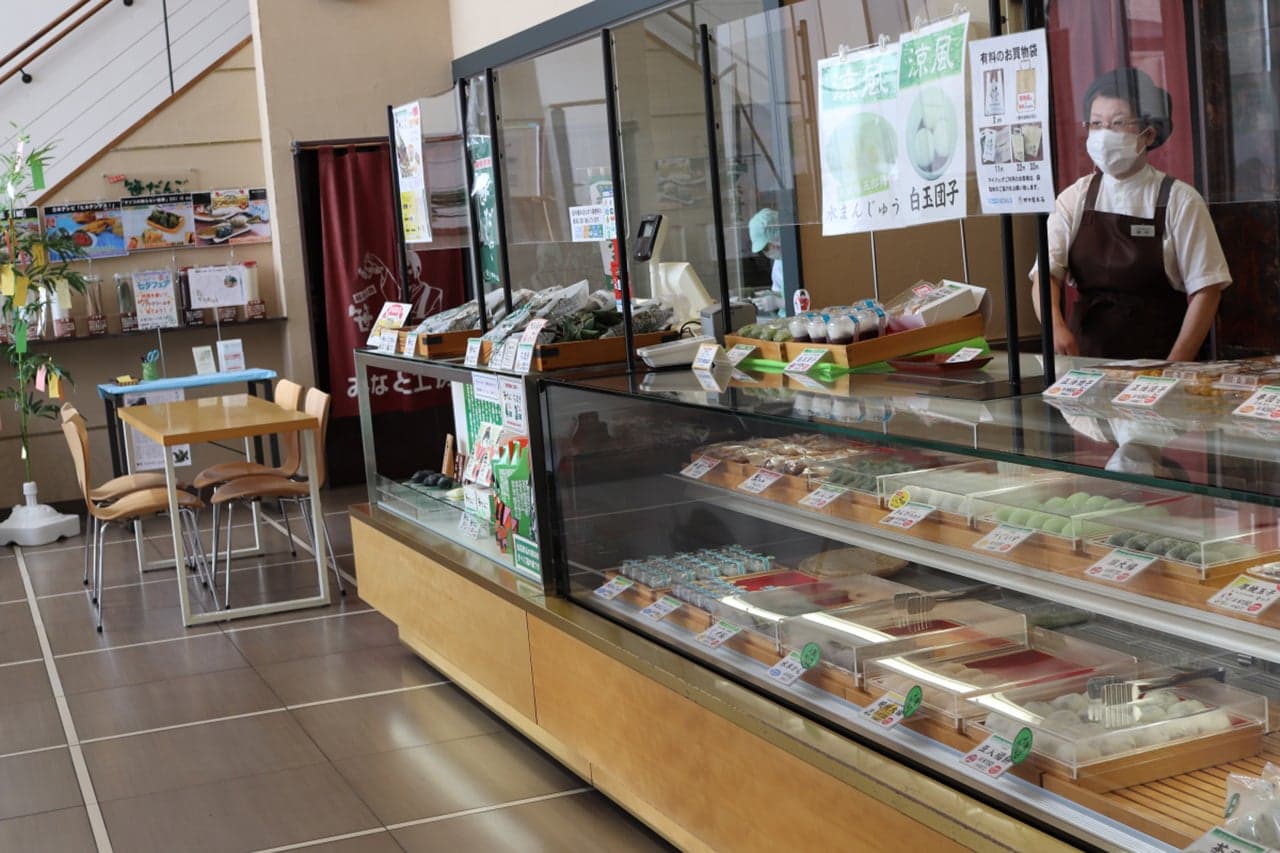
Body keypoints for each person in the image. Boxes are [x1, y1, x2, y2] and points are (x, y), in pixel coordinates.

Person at [1032, 67, 1231, 360]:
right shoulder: (1074, 198)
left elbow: (1207, 290)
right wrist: (1056, 328)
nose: (1104, 135)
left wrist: (1174, 366)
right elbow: (1046, 274)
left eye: (1118, 123)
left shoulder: (1181, 200)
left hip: (1161, 355)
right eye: (1096, 124)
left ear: (1148, 134)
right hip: (1086, 358)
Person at [748, 207, 785, 315]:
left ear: (776, 237)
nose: (766, 253)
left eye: (765, 248)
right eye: (763, 251)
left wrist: (779, 303)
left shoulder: (803, 259)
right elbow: (782, 292)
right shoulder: (779, 264)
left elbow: (810, 299)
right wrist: (771, 295)